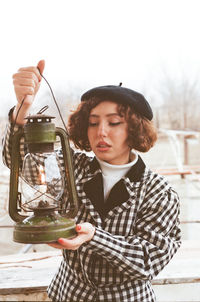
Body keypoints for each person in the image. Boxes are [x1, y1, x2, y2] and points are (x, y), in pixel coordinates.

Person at [2, 60, 181, 302]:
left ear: (136, 129)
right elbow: (19, 161)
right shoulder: (72, 166)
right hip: (68, 296)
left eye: (114, 122)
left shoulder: (159, 192)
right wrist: (22, 110)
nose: (101, 132)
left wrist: (95, 237)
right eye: (93, 122)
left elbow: (147, 261)